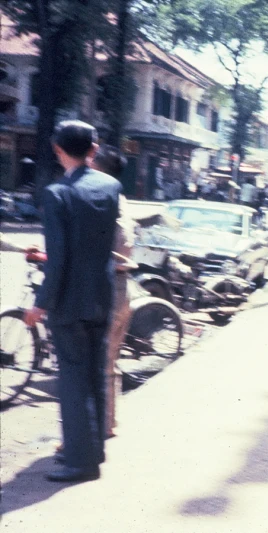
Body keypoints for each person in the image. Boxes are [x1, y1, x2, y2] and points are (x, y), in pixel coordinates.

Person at [24, 120, 122, 482]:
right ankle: (94, 450)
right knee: (95, 373)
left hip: (68, 302)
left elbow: (61, 255)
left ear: (56, 149)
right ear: (94, 149)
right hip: (101, 295)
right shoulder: (111, 186)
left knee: (72, 381)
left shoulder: (57, 193)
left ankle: (81, 463)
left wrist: (40, 303)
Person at [89, 145, 138, 440]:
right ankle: (108, 423)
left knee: (96, 364)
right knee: (109, 363)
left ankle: (94, 431)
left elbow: (113, 245)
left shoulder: (104, 198)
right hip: (123, 289)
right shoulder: (122, 200)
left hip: (108, 289)